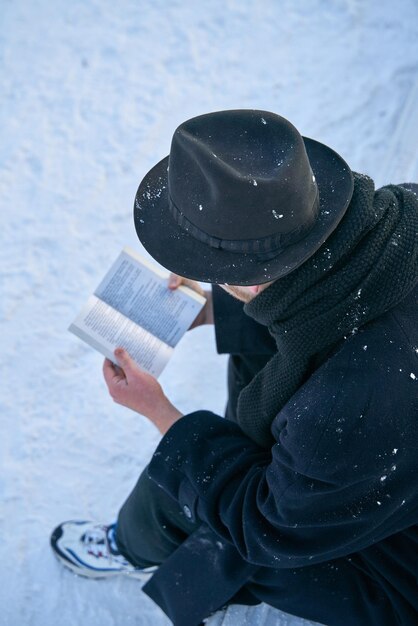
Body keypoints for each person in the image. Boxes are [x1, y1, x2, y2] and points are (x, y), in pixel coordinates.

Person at [50, 110, 418, 626]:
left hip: (396, 564)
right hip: (383, 458)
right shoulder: (401, 220)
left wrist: (163, 416)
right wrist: (214, 309)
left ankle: (135, 547)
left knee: (198, 484)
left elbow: (269, 526)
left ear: (252, 278)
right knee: (251, 358)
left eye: (215, 270)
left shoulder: (341, 405)